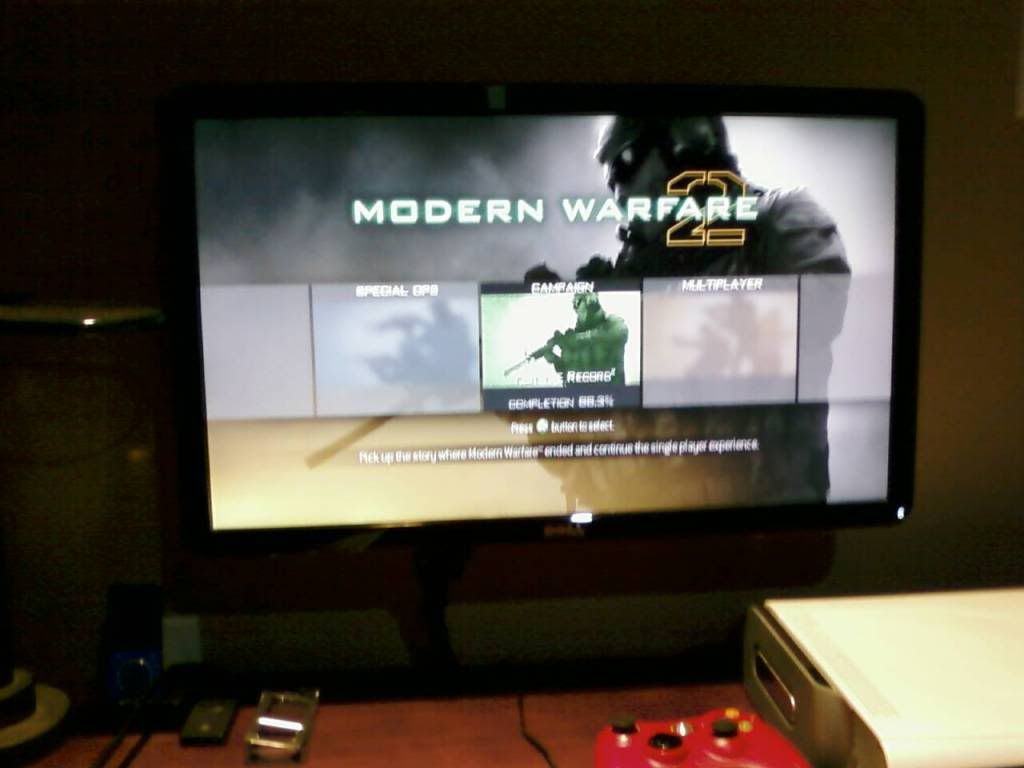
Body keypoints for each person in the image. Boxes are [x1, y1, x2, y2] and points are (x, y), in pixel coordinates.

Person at [527, 115, 850, 506]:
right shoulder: (630, 277)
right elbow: (578, 459)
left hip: (761, 522)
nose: (617, 191)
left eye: (625, 164)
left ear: (686, 142)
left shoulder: (778, 218)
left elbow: (813, 317)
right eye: (610, 179)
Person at [539, 292, 628, 386]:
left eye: (577, 302)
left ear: (591, 302)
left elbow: (618, 334)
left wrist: (574, 339)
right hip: (575, 393)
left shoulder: (612, 323)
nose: (574, 308)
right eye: (573, 303)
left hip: (609, 391)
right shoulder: (572, 336)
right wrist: (554, 359)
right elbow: (568, 371)